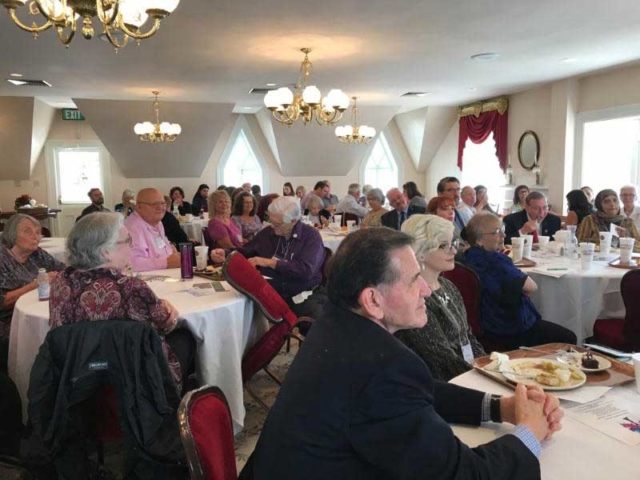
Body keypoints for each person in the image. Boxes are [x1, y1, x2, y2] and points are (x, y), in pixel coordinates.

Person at [241, 227, 563, 480]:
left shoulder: (337, 324)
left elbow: (420, 391)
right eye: (413, 280)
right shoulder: (383, 367)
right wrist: (530, 433)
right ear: (373, 301)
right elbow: (465, 474)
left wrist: (501, 407)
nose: (426, 289)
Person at [49, 213, 194, 390]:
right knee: (186, 336)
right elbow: (166, 323)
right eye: (127, 241)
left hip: (76, 374)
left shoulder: (60, 282)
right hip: (133, 376)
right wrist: (164, 307)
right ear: (105, 252)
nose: (131, 246)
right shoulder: (131, 287)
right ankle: (178, 400)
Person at [462, 212, 577, 350]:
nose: (503, 235)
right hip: (508, 327)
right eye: (496, 232)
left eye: (502, 230)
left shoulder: (467, 256)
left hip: (484, 324)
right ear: (479, 239)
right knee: (569, 338)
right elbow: (531, 287)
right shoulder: (495, 261)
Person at [396, 214, 485, 381]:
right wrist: (483, 378)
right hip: (439, 383)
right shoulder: (416, 297)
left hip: (468, 373)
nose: (454, 250)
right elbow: (442, 360)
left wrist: (486, 365)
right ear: (420, 251)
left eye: (453, 243)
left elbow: (468, 336)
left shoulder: (448, 286)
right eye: (443, 245)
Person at [211, 196, 327, 323]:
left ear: (293, 221)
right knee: (236, 314)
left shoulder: (311, 236)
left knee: (312, 324)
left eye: (278, 224)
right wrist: (225, 253)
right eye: (271, 221)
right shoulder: (268, 233)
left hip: (303, 296)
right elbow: (246, 251)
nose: (272, 226)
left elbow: (305, 271)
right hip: (272, 297)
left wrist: (270, 263)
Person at [0, 214, 65, 367]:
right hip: (8, 318)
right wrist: (36, 284)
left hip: (37, 307)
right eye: (28, 232)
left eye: (38, 232)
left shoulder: (37, 254)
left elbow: (63, 269)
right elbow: (2, 301)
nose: (35, 237)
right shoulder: (2, 259)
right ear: (12, 234)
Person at [125, 188, 181, 272]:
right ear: (139, 207)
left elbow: (162, 247)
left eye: (162, 203)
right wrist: (167, 262)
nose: (160, 207)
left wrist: (172, 252)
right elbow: (132, 263)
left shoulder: (157, 222)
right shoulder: (134, 227)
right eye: (154, 204)